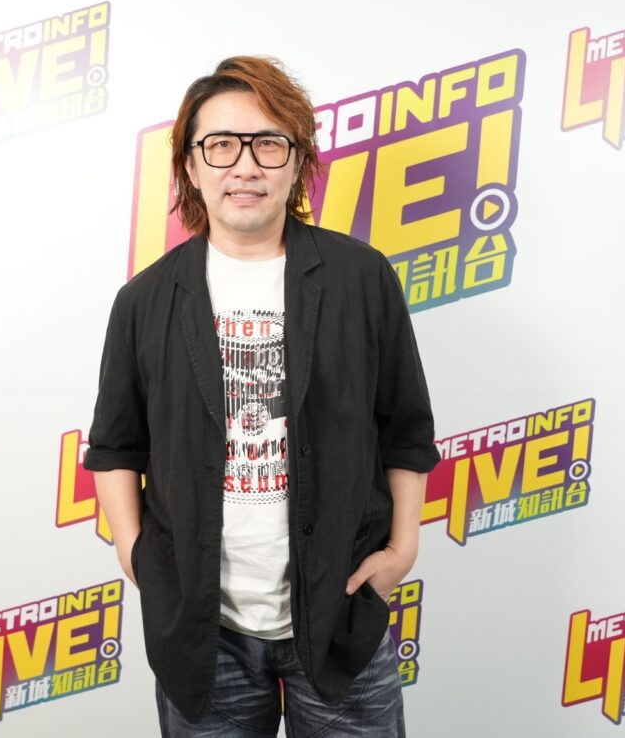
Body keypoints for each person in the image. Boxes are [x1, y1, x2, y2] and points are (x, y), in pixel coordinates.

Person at [84, 55, 440, 737]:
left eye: (268, 144)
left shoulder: (360, 278)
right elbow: (115, 448)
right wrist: (137, 555)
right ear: (190, 166)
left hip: (340, 611)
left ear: (297, 161)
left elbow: (405, 427)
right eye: (220, 145)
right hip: (202, 630)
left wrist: (402, 548)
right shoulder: (145, 301)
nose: (244, 166)